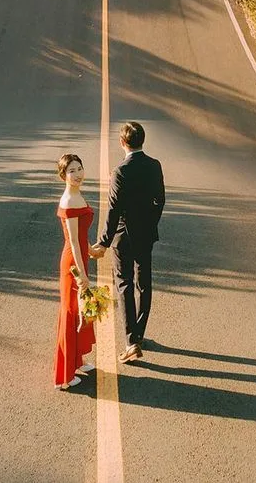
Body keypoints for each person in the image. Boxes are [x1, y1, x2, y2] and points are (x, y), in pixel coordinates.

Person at [90, 122, 165, 364]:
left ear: (122, 143)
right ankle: (140, 334)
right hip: (146, 234)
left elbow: (113, 210)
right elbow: (160, 200)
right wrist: (151, 223)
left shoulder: (120, 172)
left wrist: (103, 241)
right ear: (143, 141)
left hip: (124, 237)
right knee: (144, 283)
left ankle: (131, 341)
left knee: (124, 285)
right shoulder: (155, 166)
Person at [54, 152, 96, 389]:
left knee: (79, 312)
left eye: (79, 168)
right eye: (71, 171)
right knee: (71, 314)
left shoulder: (77, 195)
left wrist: (91, 250)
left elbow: (80, 236)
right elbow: (71, 240)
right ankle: (64, 375)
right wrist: (81, 277)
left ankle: (77, 360)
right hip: (73, 265)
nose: (77, 174)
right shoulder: (69, 201)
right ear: (63, 176)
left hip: (80, 258)